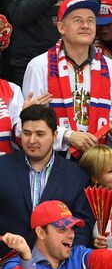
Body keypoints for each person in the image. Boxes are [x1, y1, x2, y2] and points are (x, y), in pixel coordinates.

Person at [22, 0, 112, 158]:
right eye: (78, 20)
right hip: (54, 161)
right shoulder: (39, 65)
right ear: (61, 27)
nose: (86, 25)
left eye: (91, 20)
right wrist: (69, 135)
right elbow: (30, 124)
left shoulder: (110, 67)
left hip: (98, 161)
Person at [0, 105, 93, 258]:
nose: (32, 140)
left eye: (40, 134)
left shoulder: (76, 176)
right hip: (7, 265)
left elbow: (82, 226)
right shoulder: (3, 167)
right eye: (27, 133)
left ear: (55, 135)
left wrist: (70, 263)